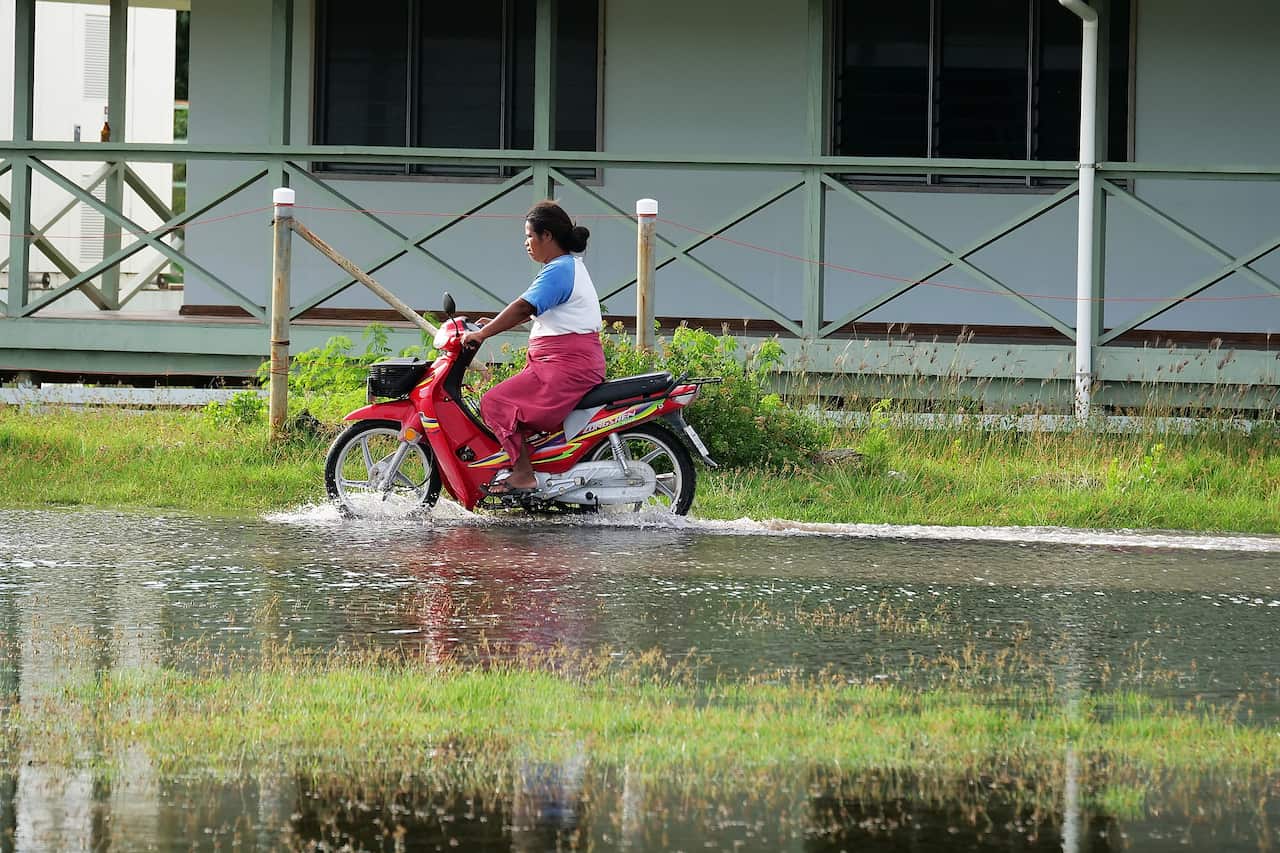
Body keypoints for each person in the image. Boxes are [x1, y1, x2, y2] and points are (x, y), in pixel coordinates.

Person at [460, 201, 605, 496]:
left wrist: (485, 333)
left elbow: (524, 306)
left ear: (547, 236)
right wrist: (494, 323)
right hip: (562, 364)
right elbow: (539, 314)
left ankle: (524, 474)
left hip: (564, 367)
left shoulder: (559, 269)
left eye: (529, 236)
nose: (526, 243)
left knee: (495, 403)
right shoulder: (566, 267)